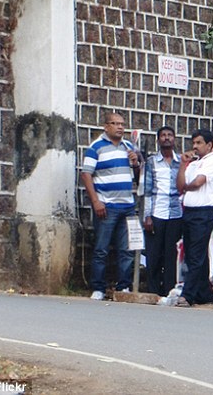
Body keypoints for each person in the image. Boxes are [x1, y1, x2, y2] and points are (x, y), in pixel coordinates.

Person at [81, 111, 141, 300]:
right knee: (101, 248)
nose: (120, 127)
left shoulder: (128, 146)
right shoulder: (96, 147)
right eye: (115, 123)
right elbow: (86, 174)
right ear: (106, 127)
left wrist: (136, 164)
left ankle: (123, 287)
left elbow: (138, 178)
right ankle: (98, 287)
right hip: (107, 204)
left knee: (126, 249)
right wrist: (96, 201)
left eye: (122, 124)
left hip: (127, 205)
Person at [176, 128, 213, 307]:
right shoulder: (195, 163)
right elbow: (180, 185)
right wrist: (183, 165)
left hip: (203, 212)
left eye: (199, 143)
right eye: (193, 143)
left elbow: (198, 183)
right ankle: (202, 292)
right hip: (188, 211)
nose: (195, 147)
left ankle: (187, 295)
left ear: (209, 145)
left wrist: (187, 186)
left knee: (196, 255)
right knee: (193, 255)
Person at [142, 126, 182, 297]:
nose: (166, 138)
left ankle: (169, 290)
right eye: (163, 135)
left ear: (174, 139)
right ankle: (153, 290)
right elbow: (147, 190)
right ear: (158, 140)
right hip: (157, 212)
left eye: (170, 135)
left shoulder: (181, 161)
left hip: (176, 213)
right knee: (154, 253)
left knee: (171, 254)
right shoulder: (151, 162)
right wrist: (147, 216)